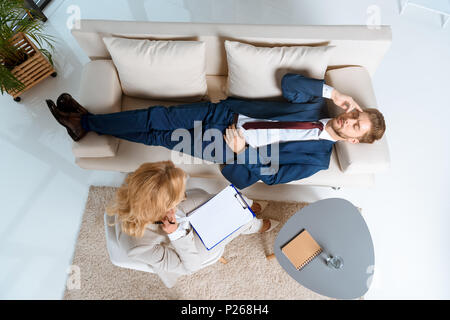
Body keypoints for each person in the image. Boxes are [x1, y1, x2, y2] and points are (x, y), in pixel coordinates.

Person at [47, 73, 386, 189]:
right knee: (158, 116)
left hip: (225, 147)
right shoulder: (315, 106)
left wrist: (243, 153)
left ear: (355, 139)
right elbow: (290, 82)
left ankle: (85, 123)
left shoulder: (317, 159)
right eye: (355, 114)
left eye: (355, 126)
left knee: (159, 136)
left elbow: (272, 176)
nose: (348, 120)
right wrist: (333, 93)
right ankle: (86, 122)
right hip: (225, 112)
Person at [105, 161, 278, 288]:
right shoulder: (137, 246)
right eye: (178, 195)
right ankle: (252, 223)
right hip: (176, 245)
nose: (183, 195)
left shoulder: (141, 184)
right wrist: (176, 234)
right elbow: (190, 267)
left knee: (219, 199)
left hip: (172, 216)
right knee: (233, 221)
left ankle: (245, 209)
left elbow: (186, 198)